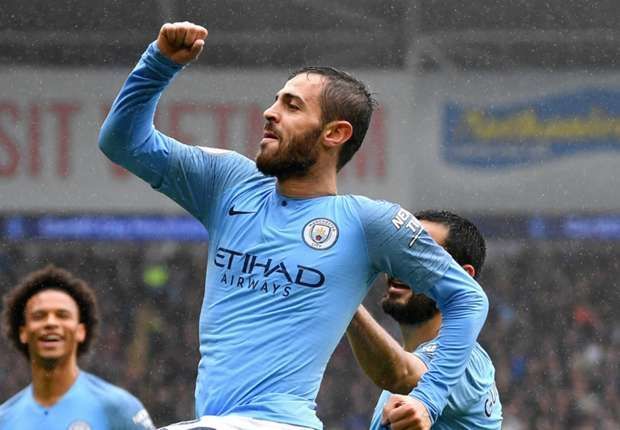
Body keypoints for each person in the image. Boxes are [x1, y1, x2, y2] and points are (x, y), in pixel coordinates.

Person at [98, 21, 489, 430]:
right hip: (215, 420)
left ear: (335, 133)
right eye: (275, 101)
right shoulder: (229, 184)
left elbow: (468, 299)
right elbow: (123, 142)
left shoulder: (367, 222)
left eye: (292, 106)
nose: (270, 112)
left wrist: (428, 400)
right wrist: (158, 64)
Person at [346, 210, 502, 429]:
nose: (398, 265)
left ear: (462, 278)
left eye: (423, 255)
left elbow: (398, 373)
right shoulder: (412, 357)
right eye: (402, 253)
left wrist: (342, 295)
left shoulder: (465, 361)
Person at [0, 265, 155, 430]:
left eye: (62, 315)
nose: (51, 323)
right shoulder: (5, 419)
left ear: (81, 331)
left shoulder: (119, 408)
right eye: (39, 316)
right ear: (23, 332)